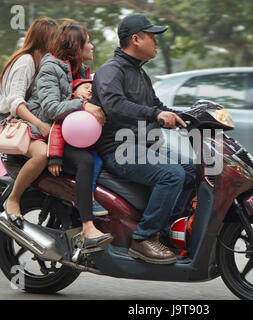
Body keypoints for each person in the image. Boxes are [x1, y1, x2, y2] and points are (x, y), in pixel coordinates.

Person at [92, 14, 196, 264]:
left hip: (143, 146)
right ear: (136, 39)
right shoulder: (111, 71)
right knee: (172, 174)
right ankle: (143, 238)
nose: (156, 43)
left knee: (193, 170)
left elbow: (157, 105)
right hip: (120, 149)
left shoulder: (140, 73)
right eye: (152, 37)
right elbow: (114, 105)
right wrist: (156, 113)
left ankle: (166, 228)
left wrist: (191, 117)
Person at [26, 21, 113, 248]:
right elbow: (51, 109)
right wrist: (84, 105)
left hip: (70, 131)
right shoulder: (51, 68)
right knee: (84, 161)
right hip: (48, 132)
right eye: (88, 43)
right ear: (75, 46)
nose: (92, 47)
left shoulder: (81, 70)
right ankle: (87, 227)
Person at [0, 17, 58, 223]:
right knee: (41, 154)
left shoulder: (41, 62)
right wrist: (40, 124)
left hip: (20, 121)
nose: (58, 42)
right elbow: (15, 103)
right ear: (45, 39)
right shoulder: (26, 61)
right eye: (55, 37)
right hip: (9, 122)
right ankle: (14, 199)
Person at [47, 78, 108, 216]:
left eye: (92, 89)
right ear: (73, 91)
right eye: (86, 87)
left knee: (98, 161)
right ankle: (88, 199)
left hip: (87, 147)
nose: (89, 89)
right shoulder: (67, 108)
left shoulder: (94, 109)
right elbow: (56, 132)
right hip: (68, 149)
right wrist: (54, 157)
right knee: (87, 162)